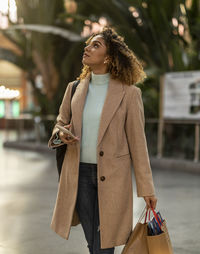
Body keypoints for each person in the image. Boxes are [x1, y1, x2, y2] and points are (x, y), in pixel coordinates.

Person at [48, 26, 157, 254]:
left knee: (104, 245)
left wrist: (147, 188)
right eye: (88, 44)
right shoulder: (74, 89)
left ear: (108, 58)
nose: (87, 48)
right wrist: (61, 134)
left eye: (95, 45)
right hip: (79, 174)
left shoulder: (129, 93)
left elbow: (138, 143)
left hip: (114, 177)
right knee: (94, 242)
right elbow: (59, 123)